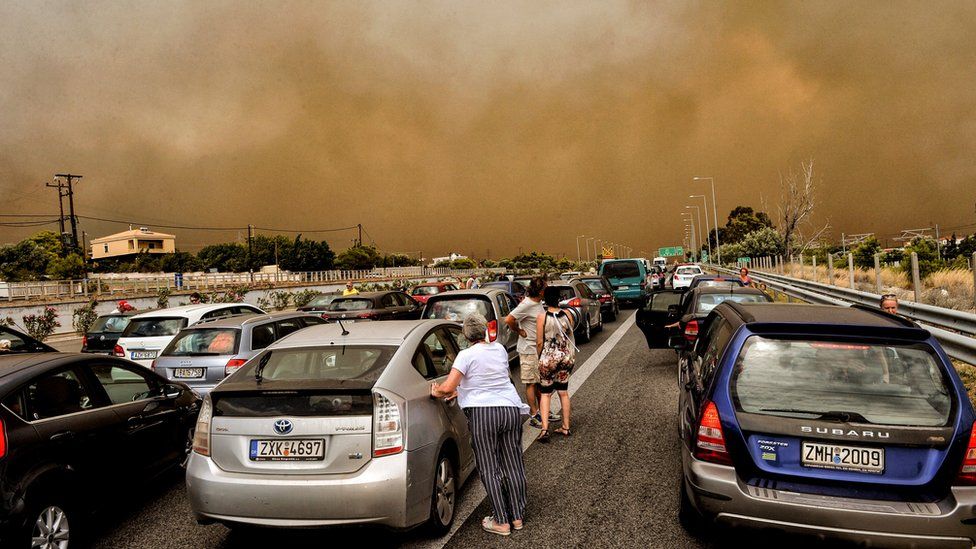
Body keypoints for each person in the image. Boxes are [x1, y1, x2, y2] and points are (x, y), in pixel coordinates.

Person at [430, 313, 529, 536]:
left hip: (484, 414)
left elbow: (448, 387)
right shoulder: (500, 349)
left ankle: (501, 521)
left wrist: (438, 391)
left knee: (489, 467)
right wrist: (462, 389)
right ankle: (517, 515)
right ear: (485, 330)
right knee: (513, 464)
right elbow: (489, 378)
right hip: (510, 409)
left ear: (465, 335)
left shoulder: (465, 355)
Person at [505, 277, 549, 427]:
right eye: (546, 287)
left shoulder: (537, 303)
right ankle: (534, 414)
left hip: (537, 348)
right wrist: (519, 331)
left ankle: (544, 410)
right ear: (540, 290)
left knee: (539, 382)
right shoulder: (526, 304)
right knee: (531, 383)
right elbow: (509, 319)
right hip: (528, 349)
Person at [535, 289, 576, 441]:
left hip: (548, 358)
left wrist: (540, 357)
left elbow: (539, 341)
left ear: (545, 299)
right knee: (563, 392)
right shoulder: (568, 314)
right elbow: (570, 335)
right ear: (559, 298)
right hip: (565, 357)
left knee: (545, 394)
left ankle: (545, 429)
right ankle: (566, 426)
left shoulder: (542, 317)